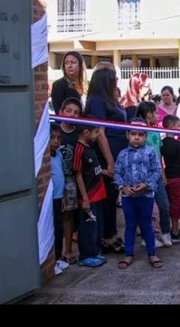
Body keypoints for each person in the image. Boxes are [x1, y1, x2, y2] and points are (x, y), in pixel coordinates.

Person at [84, 63, 127, 255]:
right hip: (106, 154)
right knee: (108, 197)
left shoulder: (109, 99)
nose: (116, 81)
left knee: (112, 195)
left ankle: (111, 232)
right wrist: (110, 161)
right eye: (114, 79)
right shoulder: (97, 101)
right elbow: (99, 132)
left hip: (118, 151)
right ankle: (107, 237)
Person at [113, 119, 164, 269]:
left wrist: (147, 185)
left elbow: (157, 171)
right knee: (130, 226)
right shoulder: (122, 154)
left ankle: (152, 253)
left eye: (140, 135)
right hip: (129, 197)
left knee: (147, 225)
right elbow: (117, 173)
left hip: (146, 197)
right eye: (133, 134)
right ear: (127, 134)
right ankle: (128, 254)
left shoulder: (150, 152)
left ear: (145, 136)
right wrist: (123, 187)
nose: (137, 137)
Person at [135, 101, 171, 248]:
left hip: (157, 175)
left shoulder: (156, 131)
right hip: (144, 176)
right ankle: (146, 236)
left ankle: (165, 233)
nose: (158, 116)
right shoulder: (138, 133)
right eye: (156, 113)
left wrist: (163, 173)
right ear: (149, 114)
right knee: (146, 208)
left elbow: (159, 153)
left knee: (164, 205)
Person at [72, 122, 108, 268]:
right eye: (95, 132)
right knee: (87, 227)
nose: (97, 136)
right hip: (89, 196)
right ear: (86, 132)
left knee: (97, 227)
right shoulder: (79, 149)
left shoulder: (89, 148)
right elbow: (78, 174)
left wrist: (105, 172)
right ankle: (86, 255)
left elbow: (94, 169)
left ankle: (94, 252)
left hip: (98, 195)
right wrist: (85, 199)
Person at [57, 97, 84, 265]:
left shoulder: (78, 133)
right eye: (69, 111)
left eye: (76, 112)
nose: (72, 115)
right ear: (61, 112)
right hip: (56, 178)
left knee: (70, 215)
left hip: (73, 179)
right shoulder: (54, 131)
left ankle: (68, 250)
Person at [160, 115, 180, 243]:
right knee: (176, 205)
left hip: (166, 177)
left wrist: (163, 175)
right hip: (177, 177)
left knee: (166, 205)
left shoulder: (161, 144)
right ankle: (175, 231)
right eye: (178, 125)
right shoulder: (178, 145)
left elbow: (160, 161)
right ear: (171, 127)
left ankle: (166, 230)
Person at [50, 123, 69, 275]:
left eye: (58, 138)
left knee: (59, 229)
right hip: (49, 201)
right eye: (52, 138)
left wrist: (62, 195)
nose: (56, 141)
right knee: (52, 229)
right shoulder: (45, 158)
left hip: (58, 197)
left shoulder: (59, 154)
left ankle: (57, 257)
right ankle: (51, 261)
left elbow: (60, 176)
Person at [51, 51, 88, 116]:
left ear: (80, 64)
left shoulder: (88, 85)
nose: (69, 66)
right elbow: (58, 111)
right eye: (66, 63)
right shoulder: (59, 85)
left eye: (73, 62)